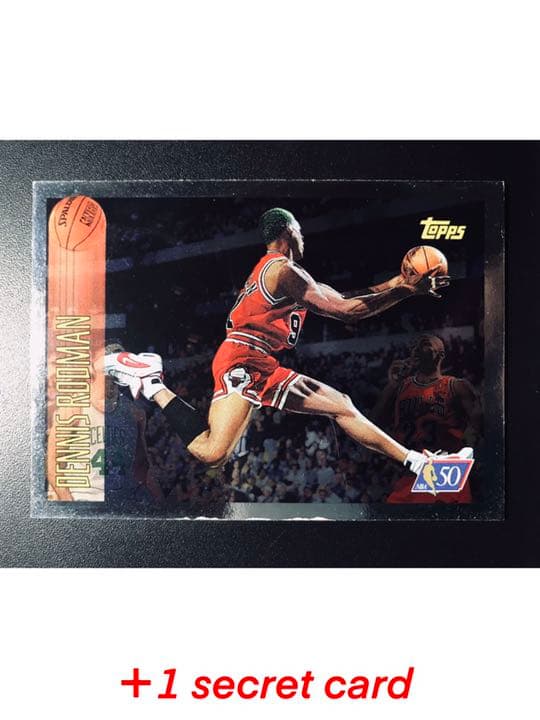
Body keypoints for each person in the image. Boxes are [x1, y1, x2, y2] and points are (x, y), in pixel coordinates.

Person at [105, 208, 471, 486]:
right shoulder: (283, 271)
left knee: (338, 406)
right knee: (214, 451)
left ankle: (421, 465)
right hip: (245, 359)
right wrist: (405, 292)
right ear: (288, 231)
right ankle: (151, 382)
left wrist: (396, 284)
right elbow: (346, 313)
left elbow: (344, 298)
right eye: (299, 229)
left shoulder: (289, 273)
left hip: (255, 359)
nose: (303, 236)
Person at [372, 334, 482, 503]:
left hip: (444, 473)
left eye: (424, 344)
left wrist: (464, 453)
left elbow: (479, 426)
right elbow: (373, 422)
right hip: (408, 473)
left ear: (441, 354)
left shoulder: (456, 386)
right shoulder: (401, 387)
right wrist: (392, 385)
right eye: (414, 346)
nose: (416, 349)